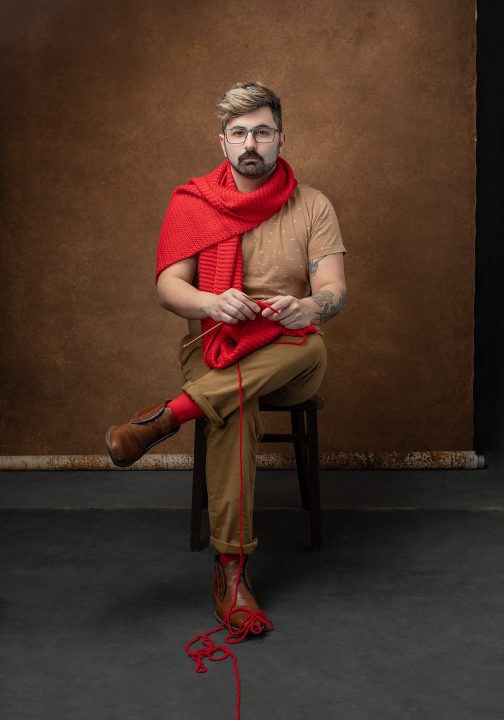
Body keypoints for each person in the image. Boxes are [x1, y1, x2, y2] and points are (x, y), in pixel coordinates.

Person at [105, 82, 347, 632]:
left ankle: (168, 416)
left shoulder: (313, 205)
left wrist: (309, 306)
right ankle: (233, 571)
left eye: (262, 131)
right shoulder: (193, 202)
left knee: (306, 340)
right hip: (215, 349)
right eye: (239, 133)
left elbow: (335, 289)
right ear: (223, 142)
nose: (250, 144)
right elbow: (169, 289)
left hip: (292, 354)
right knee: (235, 403)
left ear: (281, 138)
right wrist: (213, 301)